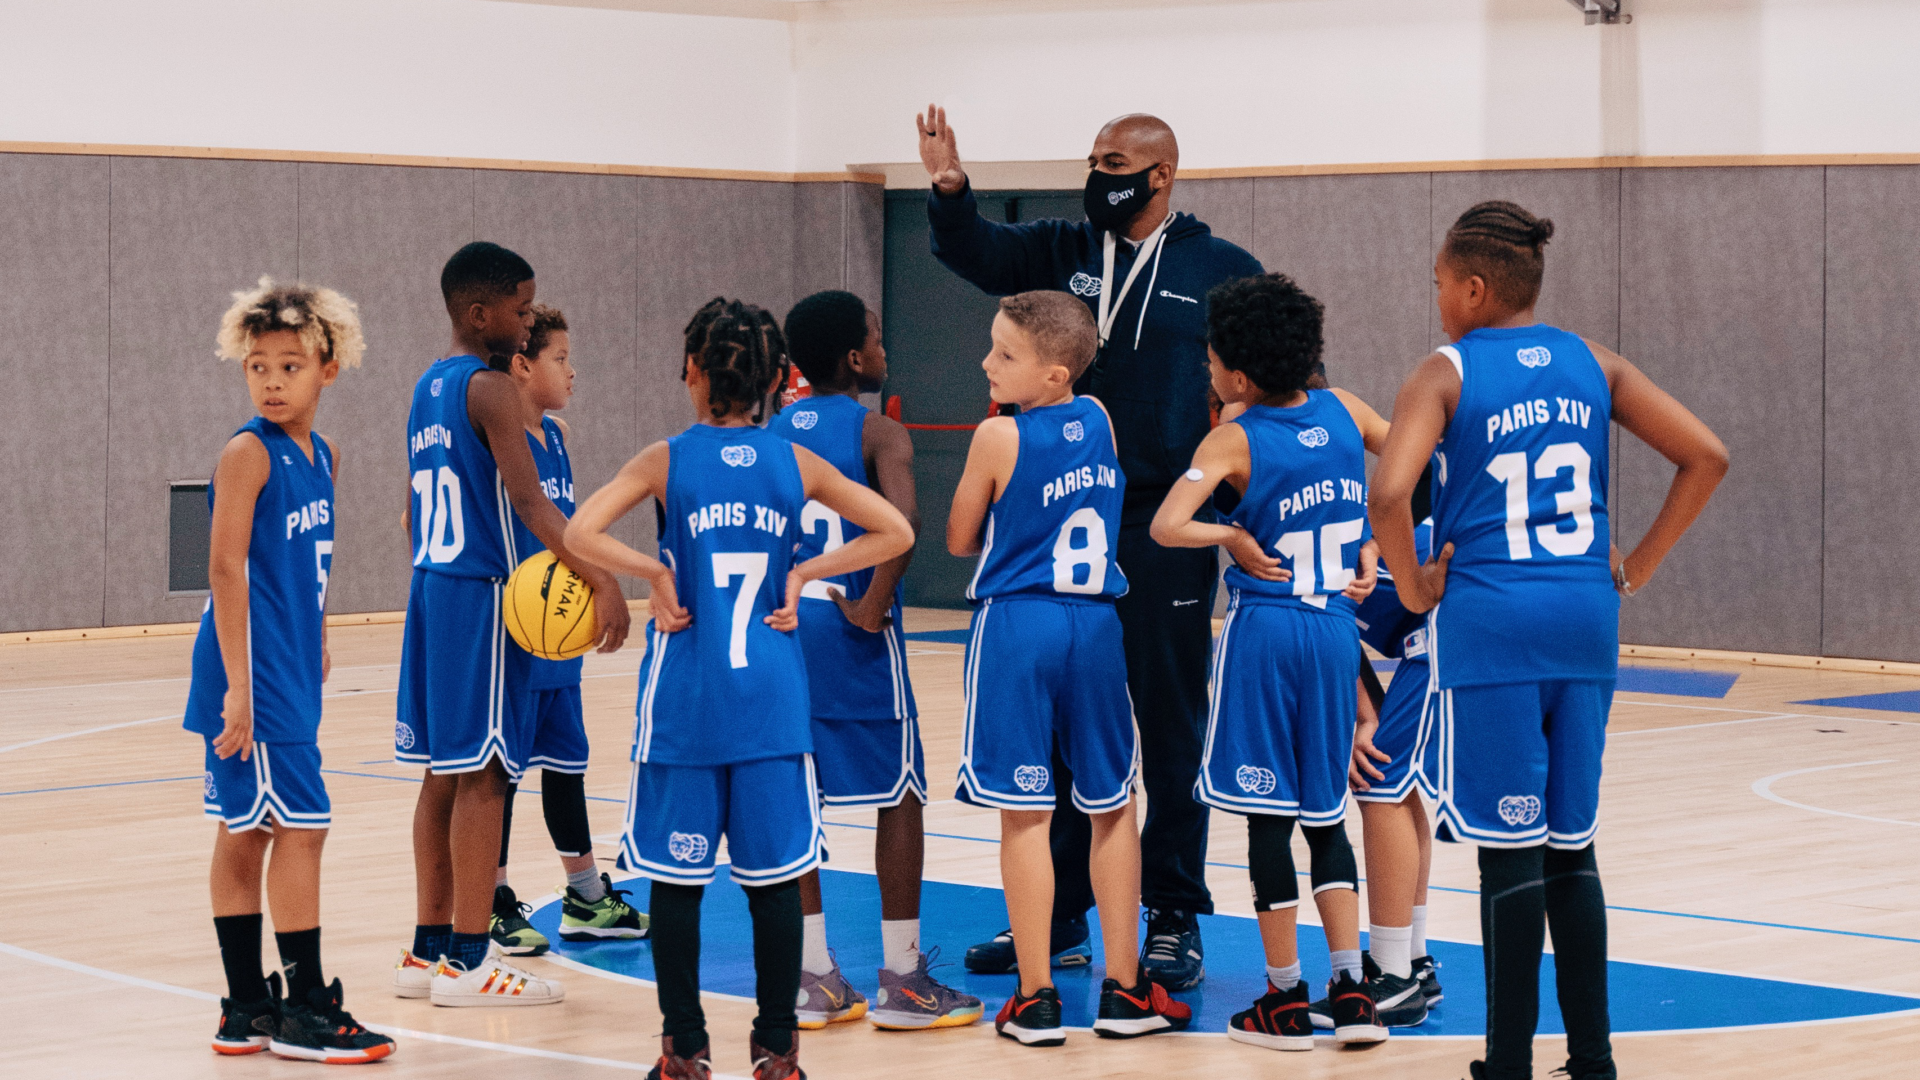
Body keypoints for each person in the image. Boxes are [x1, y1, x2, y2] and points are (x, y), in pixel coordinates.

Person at [1368, 201, 1727, 1080]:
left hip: (1495, 622)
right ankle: (1593, 1060)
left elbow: (1389, 492)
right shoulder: (1594, 362)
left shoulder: (1445, 371)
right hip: (1585, 618)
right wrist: (1634, 568)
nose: (1437, 298)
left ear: (1474, 288)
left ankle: (1508, 1064)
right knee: (1574, 846)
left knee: (1509, 852)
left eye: (1439, 283)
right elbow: (1707, 455)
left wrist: (1412, 587)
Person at [919, 106, 1263, 987]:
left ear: (1160, 174)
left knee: (1169, 721)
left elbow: (1264, 385)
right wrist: (951, 189)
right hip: (1060, 520)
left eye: (1112, 162)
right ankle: (1061, 911)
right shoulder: (1061, 247)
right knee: (1066, 729)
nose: (1096, 175)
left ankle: (1174, 912)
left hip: (1164, 520)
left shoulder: (1221, 269)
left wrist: (1250, 499)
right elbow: (975, 252)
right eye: (1093, 160)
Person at [565, 298, 914, 1080]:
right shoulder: (795, 463)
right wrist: (805, 571)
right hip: (772, 705)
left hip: (686, 704)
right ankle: (777, 1049)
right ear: (775, 380)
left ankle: (685, 1049)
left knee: (678, 885)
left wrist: (654, 574)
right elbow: (895, 529)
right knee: (774, 886)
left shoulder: (665, 458)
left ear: (691, 371)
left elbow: (580, 531)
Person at [1148, 273, 1389, 1052]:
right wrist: (1370, 537)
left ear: (1240, 377)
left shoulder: (1233, 437)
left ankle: (1283, 999)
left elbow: (1166, 526)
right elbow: (1408, 467)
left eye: (1213, 361)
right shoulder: (1347, 409)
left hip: (1268, 635)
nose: (1209, 371)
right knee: (1326, 816)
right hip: (1336, 633)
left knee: (1267, 818)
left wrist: (1231, 536)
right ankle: (1352, 993)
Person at [948, 291, 1192, 1047]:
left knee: (1026, 813)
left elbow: (960, 538)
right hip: (1096, 626)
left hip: (1020, 624)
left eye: (1005, 354)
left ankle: (1036, 998)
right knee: (1111, 805)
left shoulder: (997, 437)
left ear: (1054, 373)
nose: (986, 363)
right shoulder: (1100, 417)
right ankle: (1126, 990)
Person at [391, 242, 631, 1007]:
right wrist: (602, 578)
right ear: (479, 314)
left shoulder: (427, 386)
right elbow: (532, 503)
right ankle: (469, 962)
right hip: (482, 598)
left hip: (431, 590)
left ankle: (426, 952)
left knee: (441, 775)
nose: (528, 324)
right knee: (486, 777)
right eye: (521, 310)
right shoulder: (491, 388)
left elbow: (410, 514)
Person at [190, 278, 394, 1063]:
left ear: (327, 369)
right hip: (253, 669)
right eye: (258, 367)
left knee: (247, 829)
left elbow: (311, 559)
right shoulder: (246, 453)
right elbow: (224, 569)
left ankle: (247, 1008)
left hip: (287, 660)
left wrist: (321, 631)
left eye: (289, 366)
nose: (271, 382)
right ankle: (305, 1007)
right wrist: (240, 686)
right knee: (303, 826)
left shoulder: (324, 455)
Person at [770, 291, 981, 1031]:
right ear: (856, 358)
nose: (886, 349)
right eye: (878, 337)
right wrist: (873, 604)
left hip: (785, 627)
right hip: (850, 627)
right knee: (900, 792)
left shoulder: (770, 433)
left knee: (797, 798)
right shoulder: (877, 428)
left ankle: (812, 977)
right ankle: (903, 979)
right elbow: (905, 521)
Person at [488, 304, 648, 956]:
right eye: (560, 358)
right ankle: (492, 898)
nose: (572, 371)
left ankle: (584, 897)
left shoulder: (555, 436)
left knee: (565, 763)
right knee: (500, 773)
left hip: (560, 628)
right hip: (516, 629)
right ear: (523, 366)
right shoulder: (501, 440)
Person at [1305, 510, 1442, 1032]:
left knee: (1377, 778)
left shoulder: (1298, 548)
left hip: (1456, 623)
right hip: (1468, 615)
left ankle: (1393, 975)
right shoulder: (1332, 534)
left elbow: (1326, 626)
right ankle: (1413, 960)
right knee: (1396, 782)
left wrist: (1362, 717)